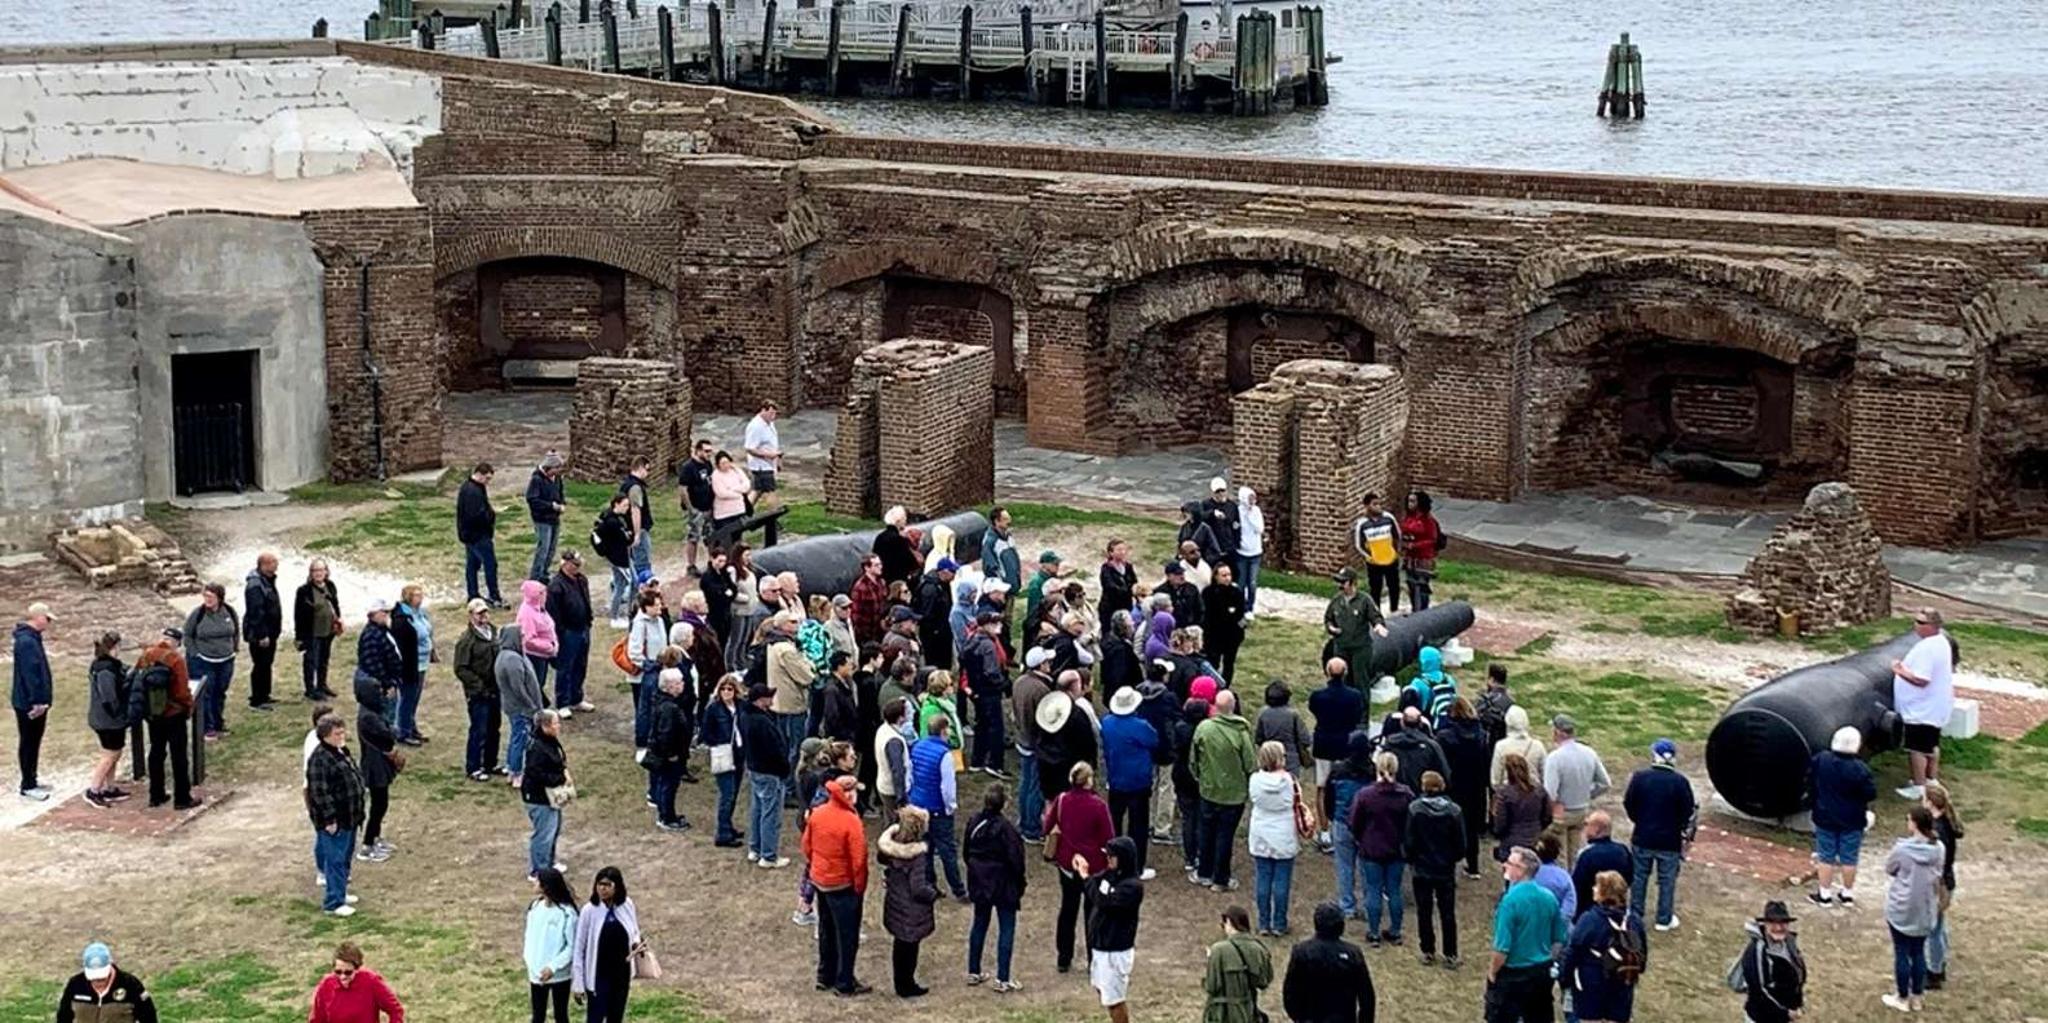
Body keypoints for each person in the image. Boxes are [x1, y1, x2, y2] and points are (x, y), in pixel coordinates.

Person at [1046, 760, 1116, 973]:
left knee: (1068, 909)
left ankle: (1063, 958)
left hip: (1067, 863)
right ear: (1088, 780)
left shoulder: (1062, 800)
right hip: (1093, 866)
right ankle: (1093, 959)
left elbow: (1047, 825)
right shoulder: (1098, 805)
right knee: (1092, 912)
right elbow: (1109, 837)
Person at [807, 776, 874, 997]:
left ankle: (824, 975)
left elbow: (806, 845)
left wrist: (817, 868)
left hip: (821, 881)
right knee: (847, 935)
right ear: (848, 794)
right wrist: (859, 886)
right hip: (842, 884)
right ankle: (844, 982)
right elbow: (859, 860)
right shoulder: (851, 821)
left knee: (826, 928)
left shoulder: (818, 813)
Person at [863, 801, 937, 999]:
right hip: (911, 910)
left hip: (895, 903)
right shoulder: (917, 857)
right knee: (910, 949)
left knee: (900, 945)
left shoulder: (891, 847)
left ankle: (900, 982)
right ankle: (907, 985)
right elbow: (918, 888)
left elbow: (883, 860)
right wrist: (933, 894)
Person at [1622, 738, 1696, 930]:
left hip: (1643, 836)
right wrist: (1677, 827)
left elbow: (1629, 803)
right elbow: (1687, 811)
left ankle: (1636, 915)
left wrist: (1639, 820)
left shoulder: (1640, 778)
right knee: (1667, 880)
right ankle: (1664, 919)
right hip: (1670, 840)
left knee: (1639, 877)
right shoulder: (1680, 782)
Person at [1488, 846, 1567, 1023]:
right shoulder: (1549, 897)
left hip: (1514, 974)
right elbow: (1559, 938)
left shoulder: (1509, 901)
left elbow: (1502, 948)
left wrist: (1492, 972)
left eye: (1509, 863)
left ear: (1521, 870)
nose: (1504, 865)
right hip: (1541, 972)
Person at [1193, 690, 1260, 891]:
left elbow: (1193, 759)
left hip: (1209, 790)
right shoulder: (1240, 732)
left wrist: (1201, 777)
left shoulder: (1204, 728)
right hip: (1233, 794)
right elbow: (1250, 763)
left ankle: (1204, 872)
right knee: (1225, 835)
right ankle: (1221, 879)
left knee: (1206, 831)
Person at [1561, 871, 1647, 1023]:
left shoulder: (1590, 919)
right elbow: (1642, 952)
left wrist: (1564, 977)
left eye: (1597, 886)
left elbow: (1574, 951)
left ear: (1604, 893)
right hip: (1622, 982)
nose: (1593, 888)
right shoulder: (1633, 920)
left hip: (1592, 982)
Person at [965, 785, 1027, 992]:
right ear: (1004, 803)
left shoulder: (974, 822)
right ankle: (1003, 978)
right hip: (1003, 884)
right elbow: (1017, 860)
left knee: (979, 924)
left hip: (980, 881)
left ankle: (973, 970)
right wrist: (1019, 883)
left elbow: (966, 852)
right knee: (1006, 928)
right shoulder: (1007, 830)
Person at [1807, 725, 1876, 908]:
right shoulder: (1860, 769)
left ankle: (1824, 894)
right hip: (1853, 820)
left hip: (1825, 816)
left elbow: (1810, 777)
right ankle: (1847, 894)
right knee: (1849, 858)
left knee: (1825, 856)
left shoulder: (1822, 759)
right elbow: (1870, 794)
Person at [1348, 751, 1413, 947]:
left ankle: (1374, 931)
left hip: (1371, 849)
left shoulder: (1366, 795)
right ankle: (1395, 930)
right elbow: (1411, 822)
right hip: (1396, 849)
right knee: (1394, 890)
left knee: (1373, 890)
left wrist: (1361, 838)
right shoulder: (1406, 795)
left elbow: (1354, 822)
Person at [1882, 806, 1943, 1012]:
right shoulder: (1938, 848)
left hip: (1902, 905)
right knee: (1918, 953)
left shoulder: (1902, 849)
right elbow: (1938, 873)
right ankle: (1917, 997)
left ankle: (1902, 997)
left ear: (1915, 823)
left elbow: (1890, 868)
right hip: (1925, 906)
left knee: (1901, 952)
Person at [1890, 608, 1954, 800]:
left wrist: (1899, 670)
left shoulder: (1928, 648)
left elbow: (1921, 679)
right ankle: (1931, 779)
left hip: (1921, 709)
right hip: (1934, 706)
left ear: (1932, 626)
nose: (1915, 625)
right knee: (1932, 744)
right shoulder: (1941, 642)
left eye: (1920, 622)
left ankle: (1919, 786)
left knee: (1917, 749)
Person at [1081, 835, 1146, 1023]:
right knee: (1103, 991)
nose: (1108, 859)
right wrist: (1084, 869)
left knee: (1115, 1000)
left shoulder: (1132, 887)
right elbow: (1095, 883)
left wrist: (1086, 878)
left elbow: (1103, 902)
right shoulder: (1110, 875)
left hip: (1115, 952)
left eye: (1112, 856)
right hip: (1101, 947)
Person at [1406, 769, 1467, 967]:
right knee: (1447, 912)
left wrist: (1412, 859)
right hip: (1445, 869)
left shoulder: (1415, 810)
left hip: (1422, 869)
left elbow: (1409, 840)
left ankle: (1427, 950)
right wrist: (1451, 859)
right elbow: (1461, 845)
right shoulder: (1454, 811)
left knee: (1424, 912)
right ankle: (1450, 953)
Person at [306, 716, 365, 917]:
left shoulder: (340, 751)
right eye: (337, 733)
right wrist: (330, 819)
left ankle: (341, 892)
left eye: (342, 731)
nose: (342, 736)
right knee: (335, 860)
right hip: (335, 821)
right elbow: (319, 793)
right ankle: (333, 903)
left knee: (345, 857)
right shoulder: (320, 759)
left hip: (350, 817)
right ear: (325, 736)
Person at [1101, 686, 1162, 879]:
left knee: (1114, 823)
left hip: (1116, 779)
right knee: (1138, 825)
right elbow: (1154, 740)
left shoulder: (1107, 723)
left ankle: (1113, 861)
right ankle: (1136, 866)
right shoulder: (1140, 726)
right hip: (1138, 781)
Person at [1283, 902, 1377, 1023]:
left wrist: (1299, 1018)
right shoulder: (1353, 953)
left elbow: (1290, 992)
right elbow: (1367, 997)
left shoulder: (1302, 952)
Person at [135, 628, 196, 809]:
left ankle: (156, 795)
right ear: (176, 643)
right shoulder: (176, 659)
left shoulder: (146, 656)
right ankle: (182, 798)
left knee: (156, 752)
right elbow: (182, 691)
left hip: (153, 714)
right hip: (174, 713)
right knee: (179, 756)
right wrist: (188, 707)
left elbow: (137, 683)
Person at [1247, 741, 1304, 937]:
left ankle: (1263, 922)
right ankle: (1279, 923)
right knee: (1282, 880)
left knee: (1263, 878)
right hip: (1283, 830)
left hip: (1261, 829)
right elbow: (1296, 801)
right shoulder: (1289, 781)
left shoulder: (1255, 779)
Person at [909, 713, 967, 899]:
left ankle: (930, 885)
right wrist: (950, 807)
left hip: (918, 805)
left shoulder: (917, 746)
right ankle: (958, 890)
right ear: (943, 730)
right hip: (937, 809)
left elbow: (910, 774)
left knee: (925, 848)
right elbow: (947, 787)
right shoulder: (945, 755)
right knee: (947, 852)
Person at [572, 867, 640, 1023]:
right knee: (595, 1018)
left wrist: (635, 943)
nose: (603, 889)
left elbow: (634, 930)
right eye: (600, 884)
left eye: (607, 885)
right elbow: (579, 948)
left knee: (616, 1016)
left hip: (621, 974)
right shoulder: (589, 911)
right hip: (599, 975)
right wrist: (578, 983)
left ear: (617, 886)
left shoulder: (627, 905)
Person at [1543, 714, 1609, 866]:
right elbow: (1605, 783)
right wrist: (1587, 795)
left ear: (1558, 732)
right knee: (1575, 854)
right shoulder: (1589, 753)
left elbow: (1550, 793)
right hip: (1581, 811)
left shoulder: (1555, 758)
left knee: (1558, 855)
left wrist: (1553, 808)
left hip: (1561, 813)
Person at [1436, 697, 1491, 878]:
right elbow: (1486, 763)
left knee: (1448, 827)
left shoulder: (1444, 736)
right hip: (1475, 786)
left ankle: (1448, 866)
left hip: (1453, 786)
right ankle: (1473, 866)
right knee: (1471, 828)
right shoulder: (1481, 735)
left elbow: (1441, 764)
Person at [740, 683, 793, 867]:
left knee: (757, 810)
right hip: (770, 771)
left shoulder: (746, 716)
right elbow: (774, 749)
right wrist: (784, 768)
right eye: (769, 696)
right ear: (761, 700)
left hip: (755, 768)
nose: (772, 699)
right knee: (771, 813)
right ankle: (769, 856)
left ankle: (755, 848)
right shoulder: (762, 721)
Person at [352, 669, 401, 864]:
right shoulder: (368, 716)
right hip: (375, 765)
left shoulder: (369, 712)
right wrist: (392, 730)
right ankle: (367, 845)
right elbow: (389, 732)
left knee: (381, 804)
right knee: (378, 805)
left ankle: (375, 838)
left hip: (378, 762)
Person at [451, 600, 502, 782]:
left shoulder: (494, 632)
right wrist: (478, 686)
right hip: (478, 693)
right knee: (479, 729)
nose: (484, 616)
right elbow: (461, 668)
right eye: (479, 613)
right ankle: (473, 767)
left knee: (494, 728)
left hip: (495, 689)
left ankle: (490, 763)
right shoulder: (466, 640)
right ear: (471, 615)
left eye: (485, 612)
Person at [79, 631, 132, 808]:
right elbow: (109, 696)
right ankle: (94, 790)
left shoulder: (105, 665)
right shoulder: (105, 669)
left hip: (106, 717)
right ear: (114, 647)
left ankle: (110, 787)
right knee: (110, 755)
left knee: (114, 753)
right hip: (108, 719)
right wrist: (118, 713)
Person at [184, 582, 241, 741]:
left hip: (226, 660)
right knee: (206, 694)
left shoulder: (229, 611)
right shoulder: (198, 614)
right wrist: (195, 653)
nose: (207, 600)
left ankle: (218, 723)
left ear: (219, 598)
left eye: (211, 596)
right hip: (204, 661)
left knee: (220, 691)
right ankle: (207, 728)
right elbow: (187, 635)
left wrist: (234, 648)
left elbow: (235, 631)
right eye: (205, 596)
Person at [1737, 901, 1807, 1023]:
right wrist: (1785, 1014)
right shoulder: (1757, 949)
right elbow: (1759, 991)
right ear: (1765, 924)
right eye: (1773, 923)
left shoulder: (1789, 943)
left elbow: (1798, 974)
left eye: (1783, 922)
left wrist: (1798, 1004)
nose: (1778, 928)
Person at [699, 673, 747, 847]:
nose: (726, 692)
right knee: (727, 794)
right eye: (723, 689)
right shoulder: (713, 709)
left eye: (730, 689)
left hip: (739, 754)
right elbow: (705, 734)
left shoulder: (741, 706)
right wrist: (720, 743)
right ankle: (723, 833)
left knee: (733, 794)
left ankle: (727, 825)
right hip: (723, 754)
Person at [525, 868, 578, 1023]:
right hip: (537, 973)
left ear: (545, 886)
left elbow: (571, 946)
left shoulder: (567, 913)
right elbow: (530, 937)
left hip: (560, 975)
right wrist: (531, 964)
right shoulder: (535, 907)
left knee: (560, 1015)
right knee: (537, 1015)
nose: (534, 883)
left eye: (537, 880)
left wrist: (553, 967)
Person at [1922, 783, 1962, 989]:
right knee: (1939, 925)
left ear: (1930, 802)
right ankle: (1940, 963)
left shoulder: (1937, 830)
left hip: (1939, 884)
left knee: (1934, 930)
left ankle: (1935, 972)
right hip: (1947, 880)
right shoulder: (1947, 823)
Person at [57, 941, 158, 1023]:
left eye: (102, 978)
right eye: (93, 978)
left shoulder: (130, 985)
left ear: (110, 965)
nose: (98, 982)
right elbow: (64, 1017)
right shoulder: (75, 985)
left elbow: (149, 1017)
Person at [1203, 905, 1273, 1023]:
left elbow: (1212, 986)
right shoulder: (1259, 949)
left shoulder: (1218, 950)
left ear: (1229, 922)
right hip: (1248, 1012)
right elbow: (1264, 981)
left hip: (1222, 1014)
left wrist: (1212, 960)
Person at [496, 624, 546, 788]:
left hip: (517, 707)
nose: (523, 639)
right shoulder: (512, 659)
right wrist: (531, 706)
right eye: (521, 636)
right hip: (521, 708)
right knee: (521, 739)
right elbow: (518, 688)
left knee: (517, 737)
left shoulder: (509, 655)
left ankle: (512, 768)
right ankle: (517, 772)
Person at [960, 612, 1010, 775]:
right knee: (996, 727)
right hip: (989, 691)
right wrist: (1003, 684)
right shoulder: (988, 645)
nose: (999, 626)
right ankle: (995, 764)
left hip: (976, 690)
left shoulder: (972, 639)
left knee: (981, 725)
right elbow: (991, 671)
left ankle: (977, 761)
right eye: (996, 623)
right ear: (987, 625)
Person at [547, 551, 595, 715]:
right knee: (565, 667)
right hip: (568, 632)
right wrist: (560, 633)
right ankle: (562, 702)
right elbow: (553, 613)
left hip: (583, 628)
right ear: (565, 564)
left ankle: (576, 698)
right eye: (575, 564)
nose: (578, 567)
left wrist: (588, 621)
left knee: (580, 665)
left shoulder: (581, 580)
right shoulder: (556, 586)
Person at [308, 942, 404, 1023]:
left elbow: (395, 1010)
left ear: (357, 969)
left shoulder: (371, 981)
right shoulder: (326, 985)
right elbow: (316, 1019)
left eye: (348, 972)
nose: (343, 977)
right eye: (338, 972)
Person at [1324, 569, 1387, 689]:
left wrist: (1378, 625)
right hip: (1341, 646)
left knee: (1360, 680)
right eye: (1338, 582)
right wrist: (1331, 628)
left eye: (1343, 582)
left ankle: (1362, 701)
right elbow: (1328, 619)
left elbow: (1375, 616)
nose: (1340, 585)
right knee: (1341, 681)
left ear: (1352, 583)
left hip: (1360, 648)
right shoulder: (1336, 601)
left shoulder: (1364, 600)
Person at [646, 669, 692, 832]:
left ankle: (667, 814)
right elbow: (665, 733)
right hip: (669, 756)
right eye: (679, 682)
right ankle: (667, 818)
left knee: (666, 784)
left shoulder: (664, 702)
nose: (682, 685)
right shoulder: (669, 708)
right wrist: (671, 754)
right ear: (669, 686)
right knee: (668, 785)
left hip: (667, 753)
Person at [1572, 811, 1635, 926]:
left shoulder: (1587, 855)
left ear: (1596, 829)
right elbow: (1630, 877)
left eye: (1587, 824)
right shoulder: (1622, 850)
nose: (1584, 827)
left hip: (1591, 910)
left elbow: (1578, 886)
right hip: (1618, 908)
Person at [388, 584, 432, 746]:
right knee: (407, 698)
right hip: (410, 665)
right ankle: (403, 731)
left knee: (414, 698)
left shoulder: (419, 613)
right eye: (417, 595)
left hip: (422, 662)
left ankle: (411, 727)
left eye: (421, 595)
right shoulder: (402, 619)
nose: (420, 598)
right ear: (408, 597)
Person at [294, 559, 343, 700]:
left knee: (324, 659)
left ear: (326, 572)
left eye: (321, 570)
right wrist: (299, 636)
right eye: (315, 570)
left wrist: (338, 620)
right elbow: (298, 614)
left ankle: (322, 685)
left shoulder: (330, 586)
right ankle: (310, 689)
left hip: (328, 630)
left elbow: (335, 604)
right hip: (312, 632)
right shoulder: (304, 591)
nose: (318, 573)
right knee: (311, 661)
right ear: (311, 573)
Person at [457, 462, 503, 607]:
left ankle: (473, 594)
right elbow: (476, 515)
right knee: (490, 564)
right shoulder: (472, 491)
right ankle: (494, 596)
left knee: (472, 565)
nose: (488, 482)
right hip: (477, 535)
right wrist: (491, 515)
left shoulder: (470, 487)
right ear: (479, 474)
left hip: (469, 534)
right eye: (487, 478)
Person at [1491, 751, 1549, 866]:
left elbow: (1500, 823)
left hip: (1511, 841)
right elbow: (1548, 816)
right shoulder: (1539, 790)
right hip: (1534, 839)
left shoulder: (1505, 793)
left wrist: (1498, 833)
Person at [243, 552, 283, 711]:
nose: (276, 565)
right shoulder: (255, 585)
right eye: (273, 562)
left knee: (266, 664)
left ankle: (265, 694)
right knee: (260, 664)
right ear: (264, 565)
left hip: (270, 631)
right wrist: (262, 634)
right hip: (260, 634)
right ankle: (257, 699)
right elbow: (255, 611)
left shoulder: (266, 580)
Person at [1353, 493, 1403, 614]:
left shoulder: (1388, 518)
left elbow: (1398, 535)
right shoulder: (1362, 524)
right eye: (1374, 504)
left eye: (1379, 504)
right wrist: (1369, 557)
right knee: (1375, 589)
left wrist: (1396, 552)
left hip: (1390, 559)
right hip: (1374, 563)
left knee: (1394, 586)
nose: (1378, 507)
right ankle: (1376, 612)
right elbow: (1359, 545)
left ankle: (1394, 609)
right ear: (1367, 506)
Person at [591, 494, 635, 629]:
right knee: (628, 584)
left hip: (621, 557)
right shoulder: (612, 522)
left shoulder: (615, 518)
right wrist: (628, 536)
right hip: (618, 559)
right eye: (625, 505)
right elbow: (626, 539)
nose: (627, 508)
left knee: (622, 584)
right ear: (616, 504)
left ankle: (621, 613)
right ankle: (616, 616)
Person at [1399, 490, 1445, 611]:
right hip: (1410, 557)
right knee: (1411, 584)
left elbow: (1432, 539)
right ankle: (1415, 608)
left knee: (1422, 585)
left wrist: (1415, 545)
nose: (1410, 504)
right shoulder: (1408, 517)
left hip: (1424, 557)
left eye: (1413, 501)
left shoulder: (1428, 520)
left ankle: (1423, 609)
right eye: (1409, 501)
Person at [525, 451, 567, 582]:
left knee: (552, 548)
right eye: (556, 468)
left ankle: (544, 573)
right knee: (543, 548)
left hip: (555, 518)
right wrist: (551, 506)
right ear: (549, 467)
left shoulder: (557, 478)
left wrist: (562, 503)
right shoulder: (537, 480)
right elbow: (532, 500)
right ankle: (535, 575)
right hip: (542, 519)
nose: (558, 472)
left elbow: (560, 493)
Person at [676, 439, 716, 573]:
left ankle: (712, 561)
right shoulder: (688, 467)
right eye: (706, 451)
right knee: (693, 537)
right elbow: (683, 489)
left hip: (707, 506)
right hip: (695, 507)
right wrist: (691, 508)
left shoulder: (708, 465)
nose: (709, 454)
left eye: (710, 451)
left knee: (710, 535)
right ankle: (691, 565)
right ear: (698, 451)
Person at [617, 457, 658, 583]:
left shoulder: (626, 484)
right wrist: (637, 533)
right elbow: (635, 511)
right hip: (639, 529)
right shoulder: (635, 487)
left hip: (628, 529)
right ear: (640, 468)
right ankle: (644, 588)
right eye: (647, 469)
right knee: (642, 563)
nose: (648, 473)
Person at [743, 400, 782, 525]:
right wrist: (768, 455)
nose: (773, 416)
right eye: (770, 413)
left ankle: (743, 514)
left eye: (775, 413)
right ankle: (774, 519)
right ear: (763, 410)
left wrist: (777, 459)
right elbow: (750, 448)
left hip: (769, 463)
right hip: (761, 465)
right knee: (770, 491)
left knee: (757, 491)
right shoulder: (756, 426)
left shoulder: (769, 424)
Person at [1491, 704, 1547, 790]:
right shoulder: (1538, 746)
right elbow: (1545, 776)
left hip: (1509, 793)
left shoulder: (1501, 746)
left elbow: (1495, 780)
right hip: (1533, 792)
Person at [1098, 539, 1139, 639]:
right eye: (1119, 550)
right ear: (1111, 553)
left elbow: (1134, 582)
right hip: (1110, 607)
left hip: (1126, 605)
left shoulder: (1128, 566)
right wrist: (1128, 590)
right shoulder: (1106, 569)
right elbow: (1110, 587)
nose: (1122, 552)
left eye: (1124, 549)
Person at [1234, 487, 1265, 615]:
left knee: (1252, 583)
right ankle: (1241, 606)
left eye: (1253, 498)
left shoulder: (1256, 511)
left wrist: (1250, 517)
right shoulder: (1238, 511)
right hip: (1242, 552)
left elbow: (1260, 529)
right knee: (1241, 583)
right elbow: (1235, 527)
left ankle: (1250, 607)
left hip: (1255, 553)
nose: (1252, 501)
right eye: (1250, 498)